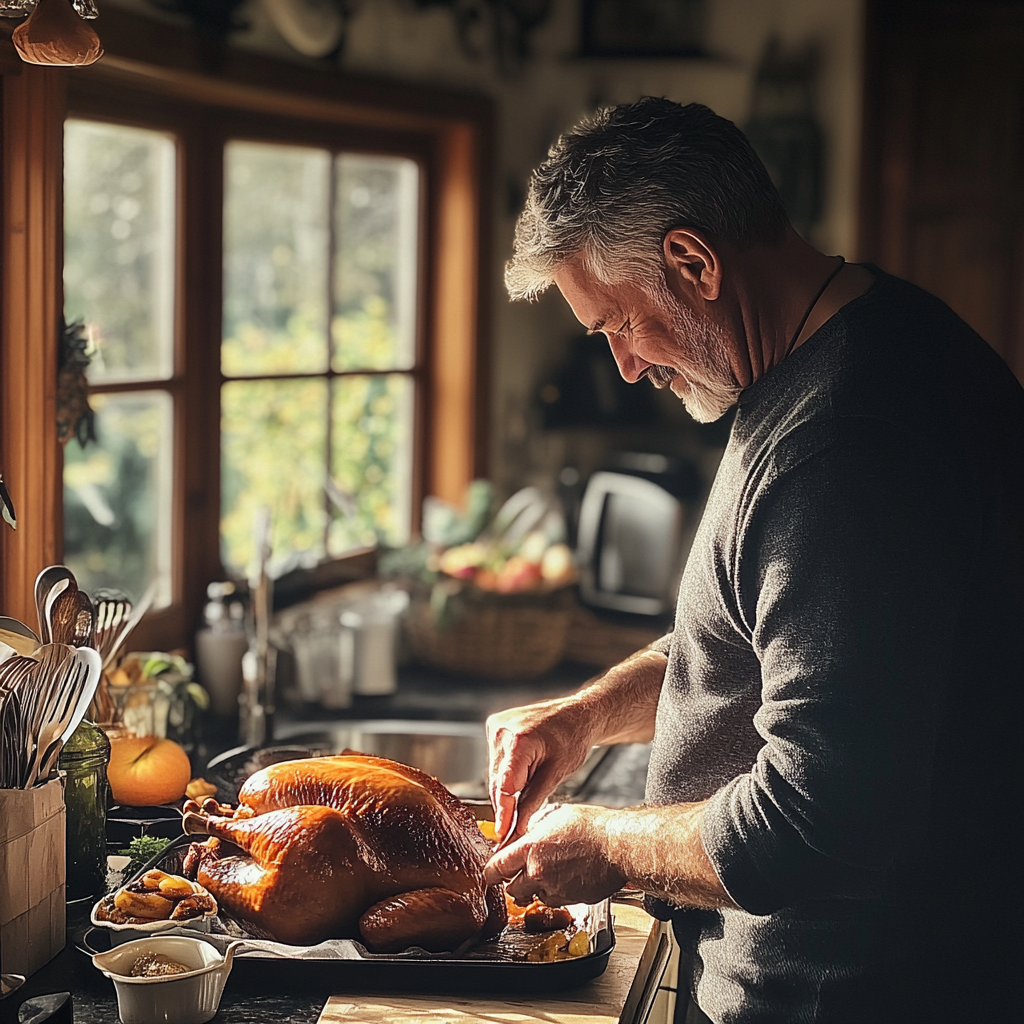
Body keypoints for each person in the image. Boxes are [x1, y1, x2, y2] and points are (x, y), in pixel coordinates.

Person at [483, 99, 1024, 1024]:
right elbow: (759, 645)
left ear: (694, 262)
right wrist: (583, 719)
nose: (622, 367)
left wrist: (607, 843)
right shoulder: (833, 354)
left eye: (618, 323)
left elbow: (823, 818)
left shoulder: (851, 445)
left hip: (850, 997)